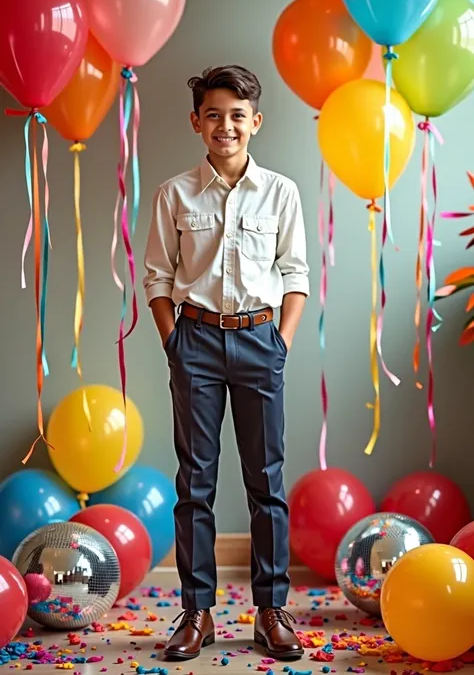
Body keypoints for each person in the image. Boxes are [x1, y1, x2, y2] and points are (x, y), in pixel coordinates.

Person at [143, 65, 309, 662]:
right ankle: (197, 611)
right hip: (197, 344)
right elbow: (159, 279)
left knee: (267, 480)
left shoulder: (281, 192)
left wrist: (281, 342)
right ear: (196, 122)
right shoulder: (174, 194)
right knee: (196, 483)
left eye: (237, 115)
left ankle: (271, 610)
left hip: (261, 342)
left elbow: (296, 275)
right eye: (213, 114)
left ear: (255, 122)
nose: (225, 125)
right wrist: (174, 343)